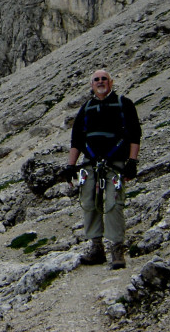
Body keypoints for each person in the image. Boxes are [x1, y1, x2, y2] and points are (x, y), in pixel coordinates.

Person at [65, 69, 142, 269]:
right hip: (89, 165)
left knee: (114, 202)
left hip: (115, 164)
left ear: (111, 82)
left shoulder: (124, 104)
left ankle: (117, 248)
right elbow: (76, 139)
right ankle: (96, 247)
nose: (100, 82)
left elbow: (135, 134)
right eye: (96, 79)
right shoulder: (86, 108)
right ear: (91, 85)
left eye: (104, 79)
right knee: (89, 202)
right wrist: (70, 166)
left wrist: (132, 161)